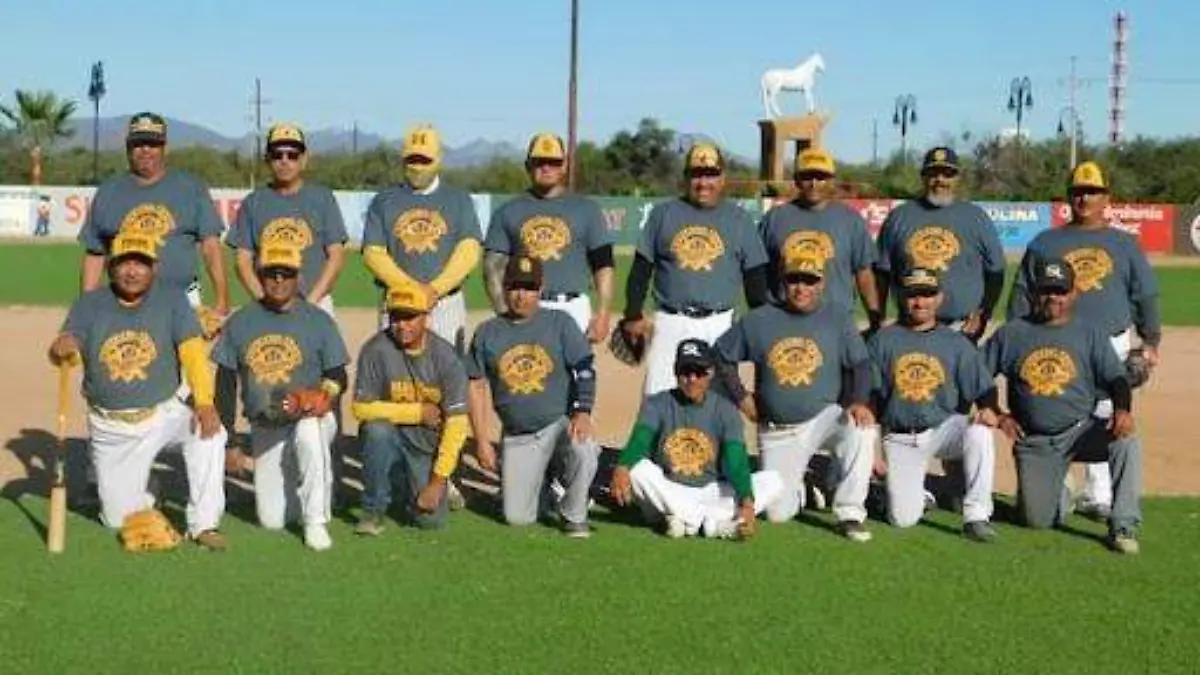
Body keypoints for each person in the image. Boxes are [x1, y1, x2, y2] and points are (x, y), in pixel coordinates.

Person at [47, 231, 228, 550]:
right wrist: (63, 348)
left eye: (141, 263)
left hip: (164, 412)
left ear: (154, 268)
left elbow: (193, 353)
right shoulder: (90, 304)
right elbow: (68, 352)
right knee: (118, 521)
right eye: (124, 263)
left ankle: (204, 524)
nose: (132, 271)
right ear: (110, 267)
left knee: (211, 434)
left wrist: (204, 402)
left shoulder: (172, 299)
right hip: (111, 426)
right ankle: (148, 490)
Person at [1007, 161, 1161, 521]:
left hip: (1112, 340)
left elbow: (1146, 295)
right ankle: (1057, 481)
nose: (1084, 197)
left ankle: (1100, 494)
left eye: (1092, 191)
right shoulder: (1046, 242)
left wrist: (1150, 339)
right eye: (1077, 191)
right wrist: (1018, 335)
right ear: (1068, 197)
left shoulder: (1123, 244)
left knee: (1107, 414)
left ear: (1106, 197)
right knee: (1056, 408)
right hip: (1056, 341)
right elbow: (1022, 293)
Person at [713, 251, 878, 541]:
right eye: (793, 280)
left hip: (824, 417)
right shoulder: (760, 319)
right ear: (783, 282)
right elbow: (721, 356)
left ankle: (850, 513)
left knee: (862, 428)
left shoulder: (837, 317)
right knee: (778, 514)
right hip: (779, 430)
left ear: (821, 283)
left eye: (809, 280)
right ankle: (803, 489)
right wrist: (741, 397)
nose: (801, 288)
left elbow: (861, 364)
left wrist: (858, 401)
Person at [983, 258, 1142, 554]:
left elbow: (1116, 378)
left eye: (1060, 290)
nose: (1053, 297)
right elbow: (979, 377)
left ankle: (1123, 524)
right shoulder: (1012, 333)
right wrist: (999, 413)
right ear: (1033, 293)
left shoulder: (1089, 331)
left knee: (1126, 440)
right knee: (1036, 521)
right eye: (1046, 290)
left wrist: (1123, 409)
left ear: (1073, 293)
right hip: (1035, 440)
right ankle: (1061, 489)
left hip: (1080, 430)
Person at [212, 242, 348, 551]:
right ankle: (306, 486)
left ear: (298, 277)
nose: (278, 280)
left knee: (310, 433)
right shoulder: (241, 321)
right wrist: (231, 442)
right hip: (266, 426)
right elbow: (225, 384)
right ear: (259, 276)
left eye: (286, 274)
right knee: (273, 519)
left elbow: (339, 373)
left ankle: (316, 521)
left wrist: (324, 394)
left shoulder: (318, 320)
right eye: (270, 273)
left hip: (309, 415)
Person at [621, 141, 770, 396]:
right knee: (658, 396)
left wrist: (765, 321)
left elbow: (755, 279)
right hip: (670, 321)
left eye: (710, 175)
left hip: (720, 324)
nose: (703, 183)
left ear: (722, 178)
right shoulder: (663, 214)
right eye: (696, 175)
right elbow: (641, 269)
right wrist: (633, 312)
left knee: (719, 399)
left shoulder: (739, 219)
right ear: (686, 178)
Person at [466, 255, 599, 537]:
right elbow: (476, 387)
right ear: (504, 288)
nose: (520, 294)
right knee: (517, 517)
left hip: (559, 423)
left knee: (584, 447)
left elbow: (585, 369)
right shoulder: (488, 332)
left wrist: (583, 411)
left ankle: (574, 514)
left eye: (528, 287)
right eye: (514, 286)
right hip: (519, 434)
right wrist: (481, 441)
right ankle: (546, 490)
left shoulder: (559, 323)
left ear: (540, 288)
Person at [866, 267, 998, 541]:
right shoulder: (882, 341)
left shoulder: (956, 342)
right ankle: (896, 492)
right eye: (913, 295)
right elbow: (871, 401)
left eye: (927, 295)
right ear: (901, 298)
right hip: (901, 436)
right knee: (903, 520)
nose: (920, 302)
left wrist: (987, 406)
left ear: (939, 298)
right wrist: (873, 451)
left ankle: (976, 516)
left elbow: (983, 386)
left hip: (944, 428)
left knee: (979, 433)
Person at [609, 339, 783, 540]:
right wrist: (622, 468)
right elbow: (640, 439)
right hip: (668, 486)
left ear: (710, 374)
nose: (692, 379)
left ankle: (683, 520)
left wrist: (747, 501)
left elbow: (736, 461)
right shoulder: (657, 403)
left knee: (774, 481)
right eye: (685, 372)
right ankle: (712, 525)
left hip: (709, 490)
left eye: (699, 372)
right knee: (637, 470)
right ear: (675, 372)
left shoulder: (725, 410)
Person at [351, 282, 471, 535]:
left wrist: (437, 483)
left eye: (410, 317)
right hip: (391, 434)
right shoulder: (375, 350)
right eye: (396, 317)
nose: (402, 325)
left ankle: (409, 486)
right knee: (376, 431)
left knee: (430, 522)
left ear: (425, 317)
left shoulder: (446, 357)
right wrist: (416, 412)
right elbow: (361, 408)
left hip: (425, 442)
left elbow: (458, 423)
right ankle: (373, 511)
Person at [78, 112, 229, 314]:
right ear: (128, 147)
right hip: (124, 299)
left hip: (183, 299)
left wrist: (222, 299)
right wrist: (86, 307)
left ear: (164, 148)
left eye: (152, 143)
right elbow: (95, 255)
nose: (145, 149)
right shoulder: (108, 192)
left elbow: (211, 247)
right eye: (138, 143)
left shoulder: (191, 187)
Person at [361, 124, 482, 352]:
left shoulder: (458, 200)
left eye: (424, 160)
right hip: (398, 302)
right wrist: (411, 289)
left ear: (438, 159)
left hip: (445, 303)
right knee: (394, 374)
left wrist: (435, 289)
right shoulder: (384, 200)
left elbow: (469, 250)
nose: (417, 167)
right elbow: (373, 253)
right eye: (412, 160)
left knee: (447, 376)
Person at [483, 132, 614, 339]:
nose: (546, 167)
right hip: (527, 305)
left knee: (576, 371)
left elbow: (603, 264)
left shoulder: (587, 209)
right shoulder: (508, 212)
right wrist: (504, 312)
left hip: (574, 308)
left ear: (564, 166)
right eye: (539, 162)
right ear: (528, 166)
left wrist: (604, 312)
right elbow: (493, 267)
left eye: (554, 162)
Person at [874, 147, 1005, 343]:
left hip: (962, 329)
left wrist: (983, 314)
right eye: (933, 173)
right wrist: (878, 316)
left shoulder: (975, 217)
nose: (940, 180)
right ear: (923, 176)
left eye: (947, 174)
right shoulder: (899, 218)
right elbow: (881, 272)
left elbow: (996, 271)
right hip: (910, 327)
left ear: (957, 178)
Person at [227, 123, 348, 317]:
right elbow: (242, 260)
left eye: (292, 155)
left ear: (304, 159)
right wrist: (263, 300)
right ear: (267, 159)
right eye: (277, 155)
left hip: (316, 302)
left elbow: (336, 256)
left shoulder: (322, 199)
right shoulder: (254, 203)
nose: (284, 161)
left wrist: (312, 301)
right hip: (267, 302)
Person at [758, 147, 881, 325]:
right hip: (784, 321)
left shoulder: (850, 220)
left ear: (832, 180)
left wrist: (874, 317)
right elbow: (759, 273)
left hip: (836, 322)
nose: (814, 183)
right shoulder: (775, 219)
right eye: (807, 177)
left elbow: (864, 274)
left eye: (821, 177)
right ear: (797, 180)